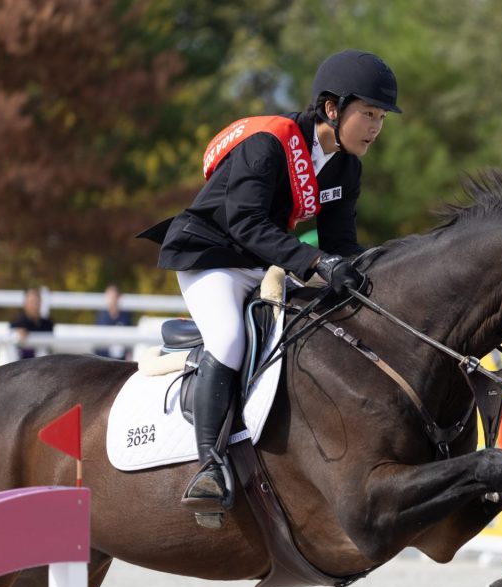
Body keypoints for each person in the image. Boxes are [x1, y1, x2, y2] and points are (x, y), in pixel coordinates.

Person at [139, 49, 401, 509]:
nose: (377, 127)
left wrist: (369, 278)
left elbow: (341, 241)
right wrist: (318, 265)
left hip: (262, 261)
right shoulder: (269, 144)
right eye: (370, 114)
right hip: (211, 257)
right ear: (332, 109)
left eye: (381, 117)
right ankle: (209, 468)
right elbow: (245, 222)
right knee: (229, 339)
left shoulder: (346, 166)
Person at [10, 287, 54, 360]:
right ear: (25, 303)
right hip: (23, 364)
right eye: (32, 302)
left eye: (37, 302)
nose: (35, 306)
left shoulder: (48, 323)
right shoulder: (18, 323)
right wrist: (16, 334)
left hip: (44, 363)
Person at [94, 283, 134, 359]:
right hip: (104, 358)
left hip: (121, 359)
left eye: (114, 296)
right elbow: (97, 342)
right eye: (110, 296)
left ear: (118, 297)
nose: (112, 300)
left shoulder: (125, 316)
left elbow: (129, 339)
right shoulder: (102, 316)